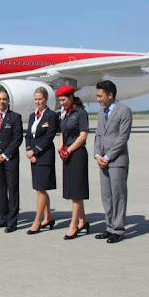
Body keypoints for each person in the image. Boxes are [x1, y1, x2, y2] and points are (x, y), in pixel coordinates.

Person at [94, 80, 132, 244]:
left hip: (117, 160)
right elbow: (98, 135)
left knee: (118, 195)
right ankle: (109, 227)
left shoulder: (124, 111)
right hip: (102, 160)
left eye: (100, 96)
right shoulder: (101, 112)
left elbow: (122, 138)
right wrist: (97, 154)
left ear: (110, 95)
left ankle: (118, 229)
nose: (98, 99)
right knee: (106, 196)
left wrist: (108, 156)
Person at [0, 90, 23, 233]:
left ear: (8, 101)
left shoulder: (15, 117)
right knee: (0, 189)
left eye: (4, 99)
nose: (2, 102)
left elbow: (17, 138)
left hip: (10, 159)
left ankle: (12, 221)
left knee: (12, 190)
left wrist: (6, 154)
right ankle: (3, 217)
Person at [56, 86, 90, 240]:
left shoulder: (80, 113)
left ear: (71, 97)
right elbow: (62, 132)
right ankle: (83, 221)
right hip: (67, 154)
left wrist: (69, 150)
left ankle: (73, 225)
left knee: (76, 191)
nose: (62, 103)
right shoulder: (65, 113)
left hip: (77, 153)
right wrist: (61, 147)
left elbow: (83, 135)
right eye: (60, 101)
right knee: (71, 189)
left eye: (63, 100)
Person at [25, 86, 59, 235]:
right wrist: (28, 150)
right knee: (40, 189)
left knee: (41, 189)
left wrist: (35, 151)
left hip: (45, 156)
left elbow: (49, 137)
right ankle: (48, 217)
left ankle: (37, 221)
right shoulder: (33, 116)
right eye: (36, 99)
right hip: (33, 156)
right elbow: (28, 135)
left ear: (46, 99)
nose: (38, 102)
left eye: (40, 99)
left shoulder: (52, 116)